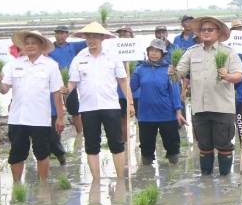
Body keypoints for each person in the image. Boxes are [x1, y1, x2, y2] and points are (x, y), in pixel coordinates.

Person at [176, 16, 242, 176]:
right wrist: (173, 72)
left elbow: (239, 76)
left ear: (218, 32)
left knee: (224, 145)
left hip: (222, 107)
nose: (206, 32)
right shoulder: (192, 52)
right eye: (203, 30)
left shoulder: (228, 52)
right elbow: (179, 71)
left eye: (210, 29)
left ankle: (225, 181)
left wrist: (227, 76)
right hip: (200, 107)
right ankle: (206, 180)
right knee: (204, 146)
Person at [0, 31, 64, 183]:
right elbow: (4, 90)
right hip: (17, 118)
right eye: (27, 43)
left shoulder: (50, 65)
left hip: (40, 118)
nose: (30, 46)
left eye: (34, 43)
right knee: (17, 153)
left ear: (40, 45)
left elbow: (57, 93)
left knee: (42, 153)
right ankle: (17, 184)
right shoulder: (13, 64)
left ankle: (43, 184)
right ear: (23, 46)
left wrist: (60, 117)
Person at [68, 22, 133, 180]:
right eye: (88, 36)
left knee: (116, 144)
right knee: (91, 146)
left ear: (102, 38)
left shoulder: (112, 56)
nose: (92, 40)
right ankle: (96, 181)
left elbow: (123, 81)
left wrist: (130, 103)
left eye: (95, 36)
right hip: (88, 108)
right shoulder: (79, 58)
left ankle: (120, 180)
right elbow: (72, 83)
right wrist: (67, 95)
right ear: (84, 38)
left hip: (110, 106)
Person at [130, 39, 187, 165]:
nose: (154, 53)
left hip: (167, 115)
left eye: (157, 51)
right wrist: (128, 72)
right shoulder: (140, 69)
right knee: (146, 148)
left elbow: (175, 92)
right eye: (151, 50)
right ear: (148, 52)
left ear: (163, 53)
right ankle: (147, 176)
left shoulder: (169, 70)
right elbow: (131, 88)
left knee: (173, 147)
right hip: (146, 115)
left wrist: (178, 111)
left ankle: (174, 173)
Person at [48, 25, 87, 162]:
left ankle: (80, 134)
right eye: (57, 33)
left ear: (67, 35)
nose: (60, 36)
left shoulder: (73, 46)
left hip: (70, 82)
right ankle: (57, 135)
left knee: (75, 110)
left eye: (63, 33)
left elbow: (88, 40)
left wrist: (79, 33)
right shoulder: (50, 48)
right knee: (56, 110)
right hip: (55, 83)